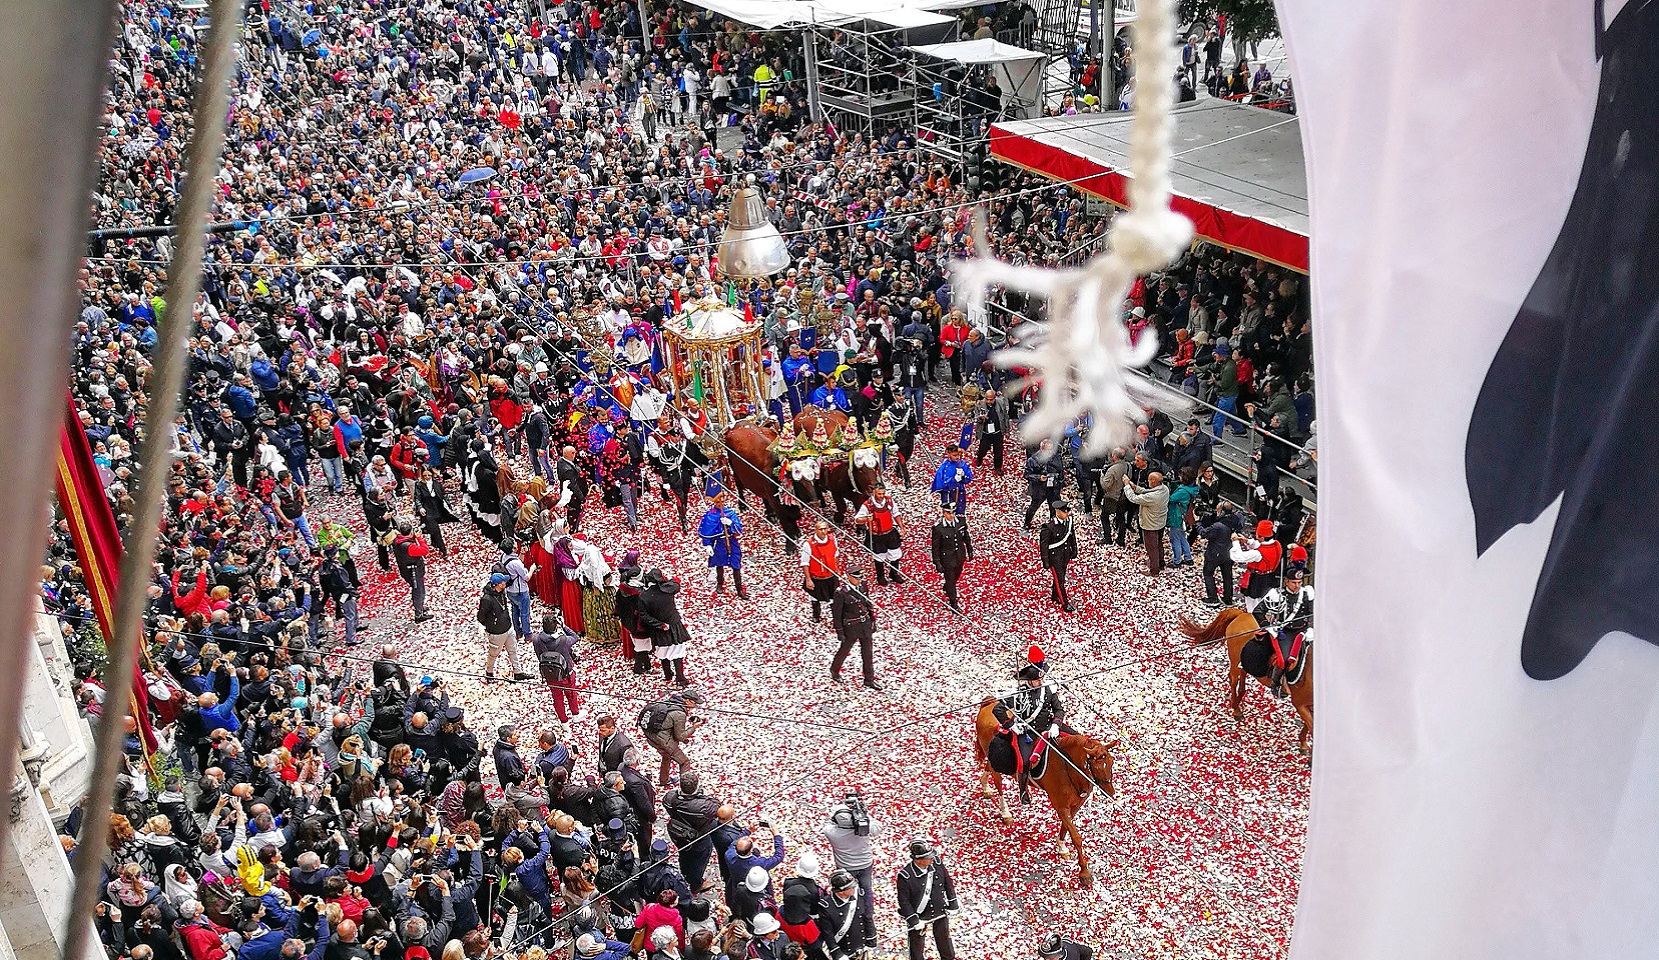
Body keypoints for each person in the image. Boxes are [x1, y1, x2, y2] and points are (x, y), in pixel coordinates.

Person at [997, 647, 1065, 803]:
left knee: (1075, 739)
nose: (1040, 682)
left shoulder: (1047, 691)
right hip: (1028, 732)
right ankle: (1023, 790)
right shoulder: (1019, 693)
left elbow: (1059, 709)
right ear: (1029, 680)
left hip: (1049, 727)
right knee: (1025, 761)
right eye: (1036, 680)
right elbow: (998, 708)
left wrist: (1056, 724)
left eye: (1041, 679)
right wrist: (1011, 724)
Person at [820, 797, 882, 955]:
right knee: (866, 894)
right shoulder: (864, 828)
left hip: (846, 867)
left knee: (846, 894)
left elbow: (828, 822)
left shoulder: (832, 833)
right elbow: (878, 827)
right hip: (865, 865)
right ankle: (868, 920)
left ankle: (848, 916)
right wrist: (862, 812)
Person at [1257, 562, 1314, 697]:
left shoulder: (1307, 594)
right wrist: (1268, 626)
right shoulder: (1277, 595)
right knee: (1284, 659)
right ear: (1287, 582)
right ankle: (1276, 684)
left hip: (1304, 630)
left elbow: (1312, 612)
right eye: (1294, 582)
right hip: (1285, 632)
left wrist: (1311, 627)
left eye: (1300, 582)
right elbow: (1258, 611)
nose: (1297, 586)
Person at [895, 840, 957, 960]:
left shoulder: (937, 863)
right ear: (917, 860)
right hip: (919, 914)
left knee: (945, 943)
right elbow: (904, 901)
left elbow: (947, 881)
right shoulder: (905, 875)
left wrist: (953, 903)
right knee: (916, 948)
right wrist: (913, 920)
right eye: (928, 858)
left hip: (939, 909)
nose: (932, 859)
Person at [640, 685, 704, 788]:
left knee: (666, 756)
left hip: (651, 736)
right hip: (663, 740)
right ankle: (686, 788)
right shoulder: (679, 714)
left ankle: (664, 780)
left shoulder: (671, 701)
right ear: (687, 701)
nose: (695, 705)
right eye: (694, 703)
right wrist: (694, 727)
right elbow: (680, 736)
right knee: (684, 762)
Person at [638, 569, 694, 686]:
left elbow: (644, 616)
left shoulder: (644, 597)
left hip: (659, 629)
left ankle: (668, 674)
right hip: (673, 624)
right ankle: (680, 677)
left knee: (662, 651)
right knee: (677, 651)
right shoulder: (668, 589)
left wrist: (659, 624)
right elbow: (676, 584)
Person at [829, 569, 881, 690]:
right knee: (844, 650)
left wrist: (872, 620)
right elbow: (837, 614)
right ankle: (835, 669)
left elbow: (868, 603)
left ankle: (869, 679)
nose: (859, 580)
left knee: (867, 653)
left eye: (860, 578)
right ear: (849, 577)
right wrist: (839, 631)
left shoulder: (863, 586)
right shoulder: (841, 593)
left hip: (864, 624)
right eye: (857, 578)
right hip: (851, 627)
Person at [478, 572, 528, 683]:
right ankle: (489, 672)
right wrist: (492, 625)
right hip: (496, 632)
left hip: (508, 627)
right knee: (493, 654)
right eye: (503, 582)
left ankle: (517, 672)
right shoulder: (487, 599)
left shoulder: (501, 592)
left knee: (513, 650)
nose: (505, 583)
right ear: (499, 584)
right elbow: (481, 617)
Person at [532, 614, 582, 721]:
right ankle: (575, 715)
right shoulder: (564, 640)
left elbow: (538, 654)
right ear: (556, 627)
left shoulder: (536, 640)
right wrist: (564, 626)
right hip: (566, 674)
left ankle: (564, 721)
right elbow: (575, 637)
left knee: (557, 699)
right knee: (571, 694)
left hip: (550, 674)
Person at [698, 492, 748, 599]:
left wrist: (730, 523)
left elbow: (739, 528)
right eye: (717, 502)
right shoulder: (710, 514)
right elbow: (707, 531)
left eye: (721, 501)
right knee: (719, 564)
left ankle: (739, 589)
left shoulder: (730, 512)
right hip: (719, 543)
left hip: (731, 541)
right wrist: (708, 545)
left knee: (736, 564)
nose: (719, 504)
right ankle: (720, 583)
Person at [852, 484, 904, 585]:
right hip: (877, 535)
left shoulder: (889, 501)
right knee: (879, 556)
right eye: (879, 494)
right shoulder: (868, 505)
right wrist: (866, 519)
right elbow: (857, 520)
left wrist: (902, 527)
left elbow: (896, 513)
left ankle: (894, 573)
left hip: (890, 532)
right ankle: (881, 576)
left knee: (895, 554)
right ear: (874, 493)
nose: (881, 496)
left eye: (883, 493)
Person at [1122, 473, 1171, 576]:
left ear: (1153, 481)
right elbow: (1146, 491)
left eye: (1149, 480)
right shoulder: (1164, 489)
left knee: (1151, 548)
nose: (1148, 482)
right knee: (1159, 544)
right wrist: (1134, 486)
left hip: (1150, 525)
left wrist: (1126, 486)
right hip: (1160, 522)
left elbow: (1133, 498)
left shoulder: (1152, 497)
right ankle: (1160, 563)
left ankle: (1154, 571)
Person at [928, 503, 973, 612]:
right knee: (951, 580)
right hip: (947, 559)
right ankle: (953, 602)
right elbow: (935, 547)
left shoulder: (960, 522)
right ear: (944, 513)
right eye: (949, 513)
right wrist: (937, 562)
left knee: (956, 575)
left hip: (959, 556)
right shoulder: (938, 528)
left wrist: (969, 550)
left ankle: (947, 586)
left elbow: (966, 537)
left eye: (953, 513)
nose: (952, 515)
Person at [1232, 519, 1283, 613]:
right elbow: (1261, 545)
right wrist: (1247, 541)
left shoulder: (1258, 553)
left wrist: (1235, 542)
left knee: (1252, 603)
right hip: (1270, 577)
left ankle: (1253, 619)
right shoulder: (1277, 544)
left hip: (1256, 579)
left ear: (1262, 538)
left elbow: (1238, 557)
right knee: (1264, 601)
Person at [1038, 502, 1079, 613]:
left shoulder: (1068, 523)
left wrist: (1074, 550)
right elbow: (1044, 545)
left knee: (1060, 577)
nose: (1067, 514)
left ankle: (1055, 595)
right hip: (1055, 557)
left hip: (1065, 555)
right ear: (1057, 512)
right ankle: (1064, 602)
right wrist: (1045, 561)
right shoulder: (1049, 527)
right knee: (1059, 580)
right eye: (1064, 511)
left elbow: (1072, 536)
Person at [389, 521, 433, 621]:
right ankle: (419, 614)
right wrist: (419, 538)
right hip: (413, 571)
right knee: (419, 591)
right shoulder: (408, 546)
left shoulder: (398, 540)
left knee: (418, 589)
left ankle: (420, 607)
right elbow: (424, 550)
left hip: (406, 569)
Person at [801, 521, 842, 622]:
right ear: (816, 530)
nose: (823, 531)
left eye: (825, 529)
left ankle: (836, 618)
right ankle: (816, 616)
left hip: (830, 576)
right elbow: (805, 563)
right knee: (814, 598)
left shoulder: (833, 539)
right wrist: (808, 579)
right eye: (820, 529)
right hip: (816, 577)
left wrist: (836, 568)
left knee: (834, 598)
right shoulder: (808, 544)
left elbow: (836, 554)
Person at [1022, 440, 1065, 529]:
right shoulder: (1033, 460)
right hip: (1039, 488)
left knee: (1054, 506)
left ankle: (1053, 524)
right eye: (1047, 450)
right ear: (1042, 449)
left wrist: (1061, 484)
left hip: (1053, 486)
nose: (1050, 452)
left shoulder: (1056, 458)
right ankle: (1027, 523)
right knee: (1034, 506)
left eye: (1051, 449)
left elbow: (1061, 471)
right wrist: (1038, 477)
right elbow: (1027, 475)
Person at [931, 446, 974, 517]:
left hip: (959, 491)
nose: (957, 457)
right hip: (947, 494)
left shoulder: (962, 464)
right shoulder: (945, 466)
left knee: (960, 513)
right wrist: (954, 479)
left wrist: (963, 476)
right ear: (948, 453)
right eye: (954, 455)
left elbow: (969, 478)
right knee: (948, 512)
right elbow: (942, 481)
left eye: (958, 455)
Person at [974, 390, 1009, 475]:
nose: (989, 401)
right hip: (985, 432)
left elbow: (1005, 416)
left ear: (994, 398)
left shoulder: (1000, 403)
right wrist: (980, 418)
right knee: (983, 448)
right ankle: (980, 457)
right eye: (987, 399)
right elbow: (975, 416)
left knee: (998, 451)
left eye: (991, 399)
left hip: (997, 431)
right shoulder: (980, 404)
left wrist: (1007, 429)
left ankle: (998, 467)